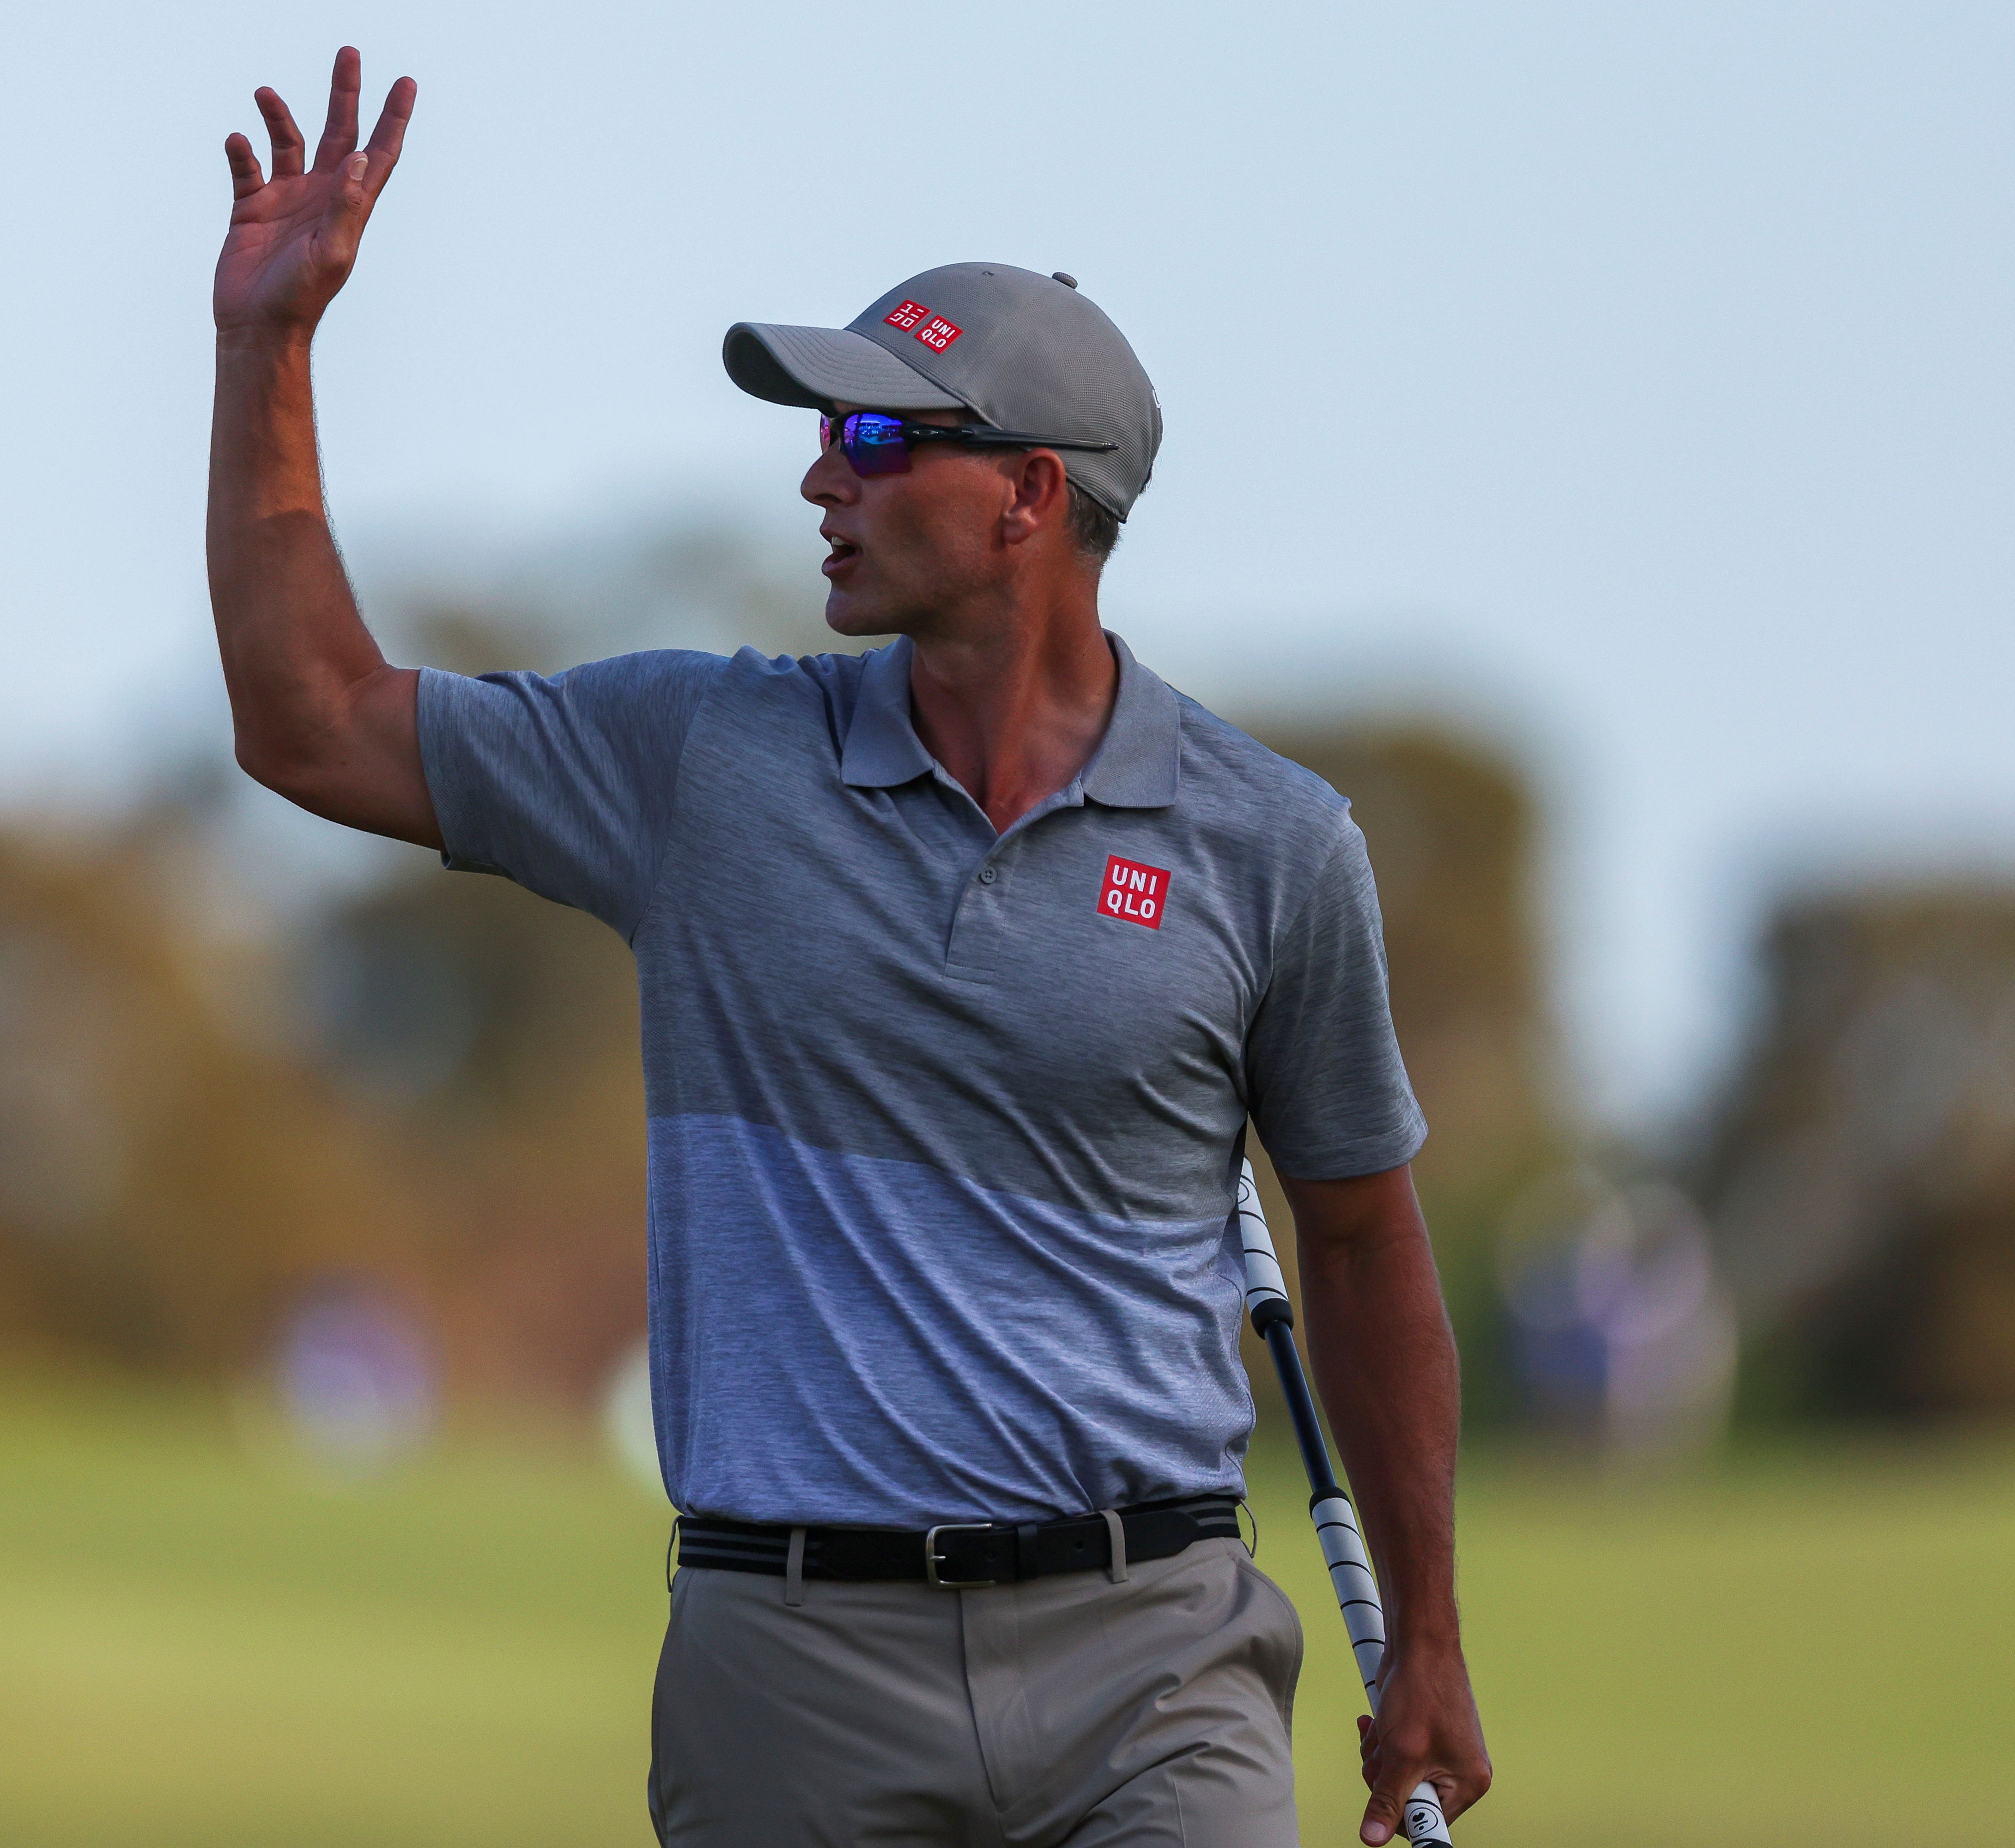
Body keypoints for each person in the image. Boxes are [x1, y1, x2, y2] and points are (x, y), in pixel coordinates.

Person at [205, 48, 1491, 1848]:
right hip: (792, 1671)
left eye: (878, 439)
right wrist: (269, 346)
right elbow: (312, 717)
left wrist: (1426, 1637)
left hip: (1154, 1666)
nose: (823, 476)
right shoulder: (699, 761)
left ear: (1031, 499)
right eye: (819, 433)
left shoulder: (1270, 843)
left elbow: (1361, 1242)